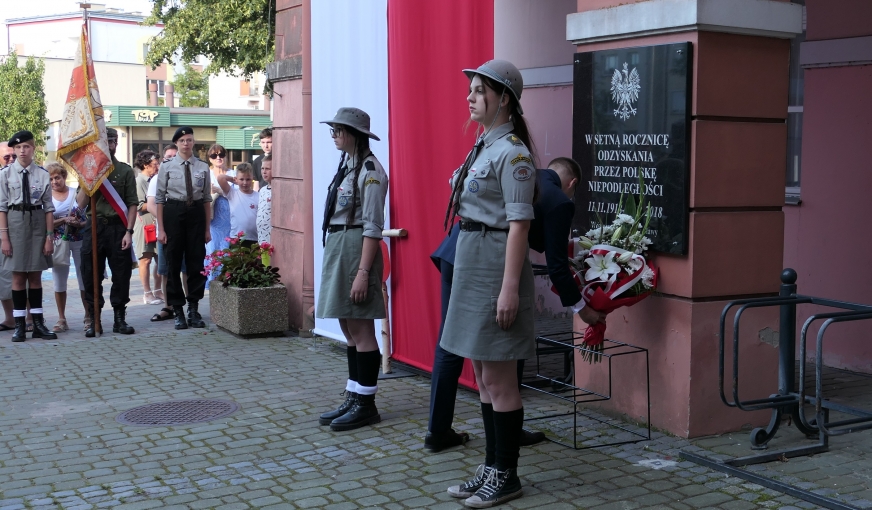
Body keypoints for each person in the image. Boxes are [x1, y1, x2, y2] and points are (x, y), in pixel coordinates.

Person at [426, 157, 608, 453]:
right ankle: (508, 426)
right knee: (510, 341)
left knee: (450, 342)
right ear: (572, 184)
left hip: (455, 251)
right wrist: (582, 309)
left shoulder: (523, 176)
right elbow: (557, 266)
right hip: (486, 264)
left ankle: (438, 429)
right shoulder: (559, 201)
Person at [440, 60, 536, 507]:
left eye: (480, 91)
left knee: (499, 378)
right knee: (481, 375)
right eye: (471, 90)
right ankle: (493, 465)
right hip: (473, 257)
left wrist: (510, 287)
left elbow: (519, 226)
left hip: (496, 264)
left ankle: (508, 474)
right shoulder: (483, 146)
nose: (470, 97)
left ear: (505, 99)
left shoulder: (513, 153)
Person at [316, 107, 389, 432]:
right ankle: (354, 393)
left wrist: (362, 272)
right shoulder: (348, 164)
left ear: (353, 134)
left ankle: (366, 403)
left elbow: (373, 225)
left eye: (337, 131)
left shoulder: (371, 170)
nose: (333, 136)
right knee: (347, 326)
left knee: (360, 327)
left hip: (357, 248)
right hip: (340, 245)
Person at [76, 127, 138, 337]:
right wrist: (90, 178)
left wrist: (129, 231)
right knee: (90, 273)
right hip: (94, 226)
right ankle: (94, 319)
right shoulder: (88, 169)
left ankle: (119, 319)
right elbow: (79, 203)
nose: (108, 145)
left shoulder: (124, 170)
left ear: (115, 144)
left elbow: (132, 204)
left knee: (121, 274)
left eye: (111, 141)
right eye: (104, 142)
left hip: (118, 227)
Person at [0, 130, 56, 341]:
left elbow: (49, 208)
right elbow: (2, 208)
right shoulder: (5, 174)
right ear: (14, 150)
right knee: (17, 275)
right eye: (18, 147)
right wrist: (4, 237)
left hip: (37, 222)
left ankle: (39, 323)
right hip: (14, 223)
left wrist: (49, 237)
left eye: (26, 147)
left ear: (33, 148)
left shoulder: (42, 174)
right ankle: (19, 325)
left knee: (35, 275)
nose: (22, 151)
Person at [155, 126, 212, 330]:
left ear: (193, 142)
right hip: (174, 212)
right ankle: (177, 310)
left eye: (189, 140)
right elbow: (160, 199)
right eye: (182, 141)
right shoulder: (167, 166)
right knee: (173, 264)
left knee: (196, 262)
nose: (186, 143)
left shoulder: (203, 167)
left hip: (195, 213)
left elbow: (206, 199)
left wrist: (207, 228)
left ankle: (193, 309)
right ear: (176, 144)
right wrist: (161, 229)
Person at [48, 162, 87, 332]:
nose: (54, 181)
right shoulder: (46, 197)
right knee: (58, 280)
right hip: (58, 241)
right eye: (50, 179)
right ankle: (61, 318)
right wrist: (63, 220)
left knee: (83, 278)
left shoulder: (75, 193)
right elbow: (45, 223)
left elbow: (87, 218)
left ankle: (88, 315)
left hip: (78, 238)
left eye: (57, 177)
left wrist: (79, 223)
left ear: (64, 177)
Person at [133, 150, 162, 305]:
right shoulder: (139, 182)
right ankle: (147, 293)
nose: (158, 167)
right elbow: (138, 204)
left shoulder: (156, 180)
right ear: (145, 165)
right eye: (155, 164)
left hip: (157, 224)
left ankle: (158, 290)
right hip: (144, 224)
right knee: (145, 259)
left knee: (160, 258)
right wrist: (156, 204)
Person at [216, 162, 258, 246]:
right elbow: (220, 178)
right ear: (236, 179)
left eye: (248, 179)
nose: (245, 183)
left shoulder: (258, 196)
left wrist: (239, 179)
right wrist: (234, 180)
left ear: (252, 179)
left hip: (255, 238)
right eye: (242, 179)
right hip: (236, 238)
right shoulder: (232, 193)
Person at [0, 141, 17, 331]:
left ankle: (31, 317)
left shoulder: (27, 175)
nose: (11, 160)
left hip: (23, 233)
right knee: (4, 278)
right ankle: (9, 318)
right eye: (7, 157)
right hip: (1, 236)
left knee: (26, 275)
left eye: (13, 156)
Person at [206, 143, 232, 265]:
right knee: (212, 250)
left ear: (226, 156)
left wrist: (220, 191)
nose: (218, 158)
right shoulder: (206, 174)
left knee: (228, 251)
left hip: (230, 219)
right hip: (212, 219)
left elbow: (240, 197)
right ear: (209, 158)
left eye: (221, 154)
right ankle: (210, 282)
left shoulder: (233, 174)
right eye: (214, 155)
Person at [256, 155, 273, 245]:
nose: (264, 172)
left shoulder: (277, 191)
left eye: (267, 169)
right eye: (262, 168)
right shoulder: (262, 190)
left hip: (272, 240)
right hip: (261, 238)